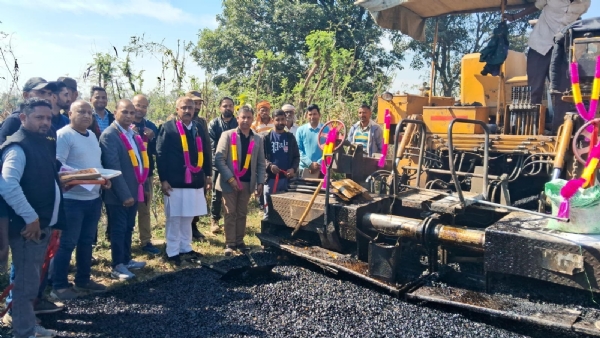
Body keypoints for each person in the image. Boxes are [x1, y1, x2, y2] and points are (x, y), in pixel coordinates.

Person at [0, 98, 64, 338]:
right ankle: (24, 332)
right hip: (27, 229)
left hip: (40, 225)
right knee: (27, 286)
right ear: (23, 118)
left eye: (48, 118)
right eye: (39, 117)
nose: (46, 122)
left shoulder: (42, 142)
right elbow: (7, 185)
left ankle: (25, 325)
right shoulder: (18, 147)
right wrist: (31, 218)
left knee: (30, 282)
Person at [51, 100, 110, 301]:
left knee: (86, 242)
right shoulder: (64, 135)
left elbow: (96, 164)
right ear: (70, 113)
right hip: (72, 200)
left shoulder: (92, 135)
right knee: (67, 243)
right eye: (81, 112)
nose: (86, 115)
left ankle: (83, 279)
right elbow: (60, 168)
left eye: (89, 113)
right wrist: (85, 178)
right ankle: (58, 285)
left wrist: (103, 180)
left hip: (93, 198)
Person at [506, 0, 590, 132]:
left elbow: (578, 19)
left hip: (562, 50)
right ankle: (533, 129)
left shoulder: (585, 3)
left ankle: (559, 132)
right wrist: (514, 17)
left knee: (561, 92)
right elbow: (535, 6)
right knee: (535, 89)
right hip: (540, 45)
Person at [156, 97, 212, 265]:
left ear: (195, 109)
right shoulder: (167, 128)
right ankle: (172, 252)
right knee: (175, 217)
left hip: (195, 180)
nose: (188, 110)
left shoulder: (198, 128)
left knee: (188, 216)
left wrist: (208, 175)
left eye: (191, 107)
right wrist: (163, 179)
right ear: (177, 109)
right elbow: (160, 154)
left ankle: (185, 248)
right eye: (184, 107)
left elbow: (207, 152)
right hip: (174, 181)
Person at [99, 99, 148, 280]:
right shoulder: (109, 135)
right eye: (124, 112)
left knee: (129, 227)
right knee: (118, 229)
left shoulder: (132, 134)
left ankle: (126, 260)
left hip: (134, 190)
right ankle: (117, 265)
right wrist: (125, 195)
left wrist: (143, 187)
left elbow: (141, 162)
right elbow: (113, 167)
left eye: (131, 113)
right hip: (118, 195)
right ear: (115, 112)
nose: (128, 116)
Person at [215, 106, 265, 256]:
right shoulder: (227, 135)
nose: (245, 120)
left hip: (247, 182)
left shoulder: (258, 139)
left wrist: (260, 182)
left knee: (242, 213)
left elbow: (261, 163)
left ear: (253, 119)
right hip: (228, 181)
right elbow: (219, 159)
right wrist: (230, 179)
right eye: (243, 117)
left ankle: (239, 241)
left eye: (249, 117)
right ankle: (230, 243)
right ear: (238, 118)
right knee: (230, 213)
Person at [131, 94, 160, 255]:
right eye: (137, 105)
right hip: (128, 174)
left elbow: (156, 150)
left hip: (146, 173)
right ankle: (124, 242)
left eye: (143, 106)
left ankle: (146, 240)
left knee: (145, 208)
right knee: (127, 208)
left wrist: (152, 138)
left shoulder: (151, 126)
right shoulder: (124, 124)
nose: (140, 109)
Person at [208, 97, 238, 236]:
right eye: (225, 105)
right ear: (220, 108)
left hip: (236, 164)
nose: (228, 108)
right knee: (217, 194)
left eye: (230, 105)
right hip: (218, 164)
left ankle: (231, 221)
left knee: (234, 193)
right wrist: (220, 162)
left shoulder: (237, 122)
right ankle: (214, 220)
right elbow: (212, 146)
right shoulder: (214, 124)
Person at [262, 109, 300, 220]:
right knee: (269, 209)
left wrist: (293, 169)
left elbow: (296, 157)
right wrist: (269, 166)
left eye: (282, 119)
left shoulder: (290, 137)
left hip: (286, 179)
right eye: (277, 120)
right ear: (273, 120)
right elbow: (261, 157)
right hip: (270, 179)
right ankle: (268, 231)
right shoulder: (266, 137)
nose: (280, 122)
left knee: (286, 209)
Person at [185, 90, 212, 239]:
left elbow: (207, 146)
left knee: (198, 199)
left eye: (199, 103)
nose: (197, 106)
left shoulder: (201, 122)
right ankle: (185, 229)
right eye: (194, 102)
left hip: (199, 167)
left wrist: (208, 173)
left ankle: (194, 226)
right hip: (183, 169)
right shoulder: (175, 120)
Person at [0, 78, 57, 144]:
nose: (47, 98)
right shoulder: (14, 121)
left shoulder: (48, 122)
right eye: (42, 92)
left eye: (49, 94)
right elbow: (4, 149)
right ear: (26, 95)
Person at [296, 104, 324, 176]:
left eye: (315, 114)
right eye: (310, 114)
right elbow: (298, 150)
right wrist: (309, 163)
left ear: (319, 115)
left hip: (322, 169)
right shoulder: (300, 130)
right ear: (306, 116)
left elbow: (330, 149)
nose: (312, 117)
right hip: (304, 169)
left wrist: (319, 163)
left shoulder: (326, 129)